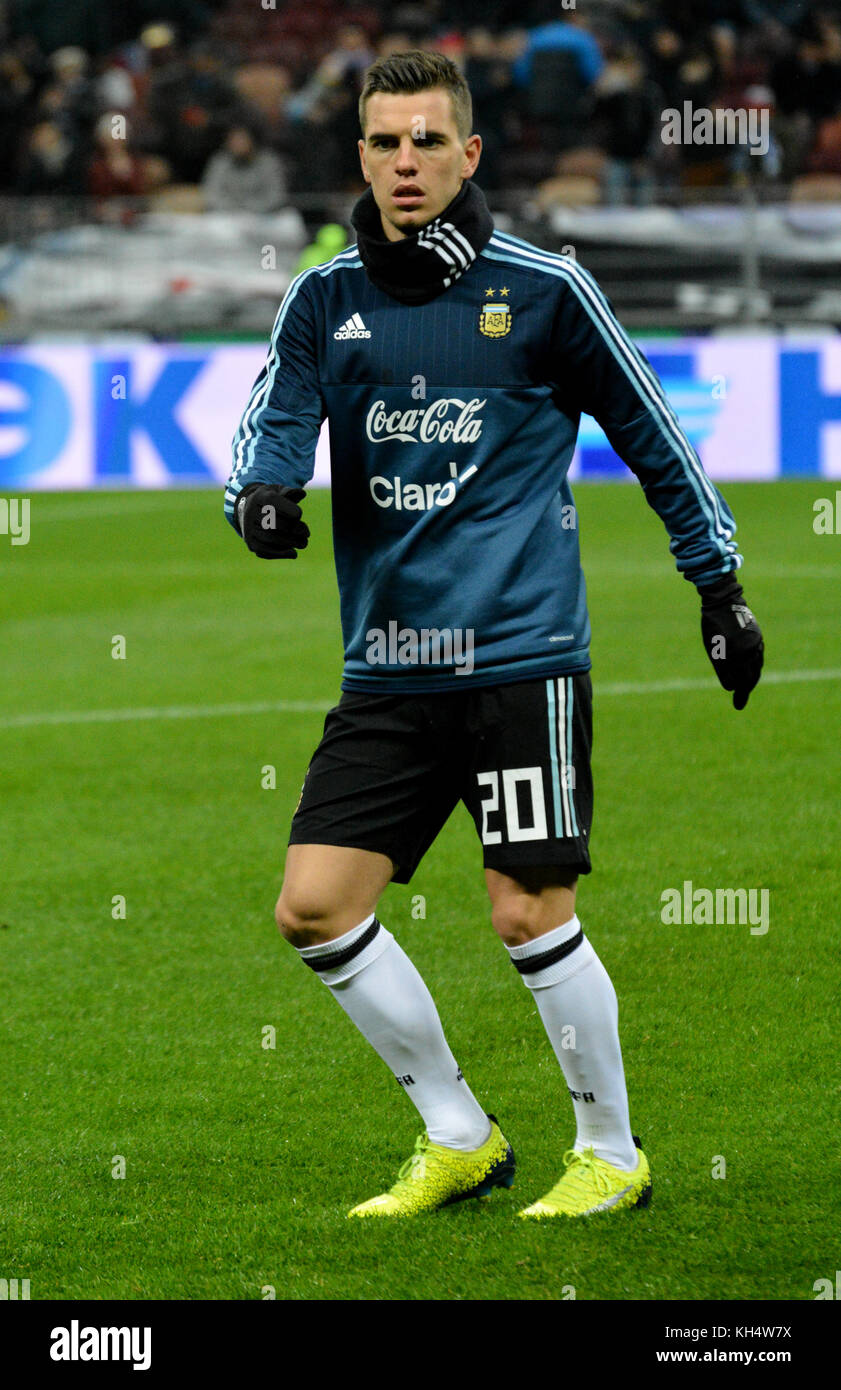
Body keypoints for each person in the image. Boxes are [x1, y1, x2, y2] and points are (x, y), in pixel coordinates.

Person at [224, 51, 764, 1220]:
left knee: (527, 908)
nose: (404, 162)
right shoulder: (323, 298)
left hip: (519, 657)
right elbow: (274, 416)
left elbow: (654, 434)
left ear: (469, 154)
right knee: (313, 905)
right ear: (358, 156)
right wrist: (263, 494)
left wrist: (716, 585)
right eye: (382, 143)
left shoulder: (546, 288)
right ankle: (459, 1134)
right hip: (389, 665)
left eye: (426, 141)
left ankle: (611, 1150)